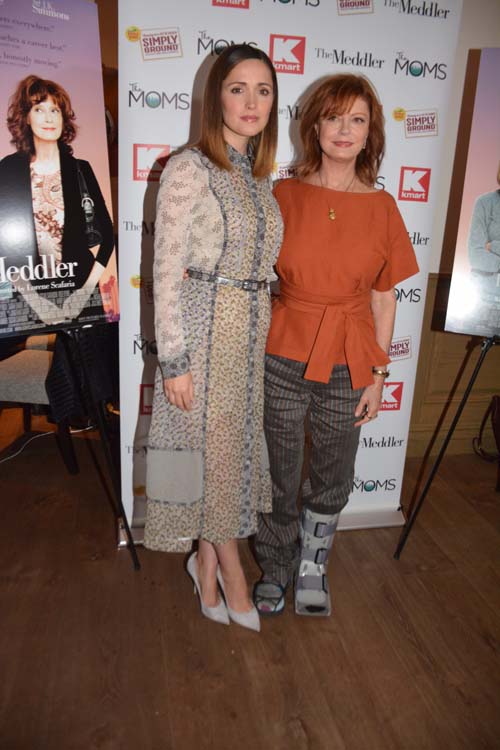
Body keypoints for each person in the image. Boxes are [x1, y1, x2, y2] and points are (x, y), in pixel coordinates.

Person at [253, 74, 419, 617]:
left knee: (333, 471)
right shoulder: (283, 194)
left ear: (371, 134)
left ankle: (312, 564)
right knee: (279, 469)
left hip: (350, 360)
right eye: (333, 117)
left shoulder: (384, 207)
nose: (344, 130)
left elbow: (384, 299)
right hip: (282, 352)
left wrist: (378, 376)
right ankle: (275, 564)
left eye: (357, 120)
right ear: (314, 125)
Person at [144, 45, 283, 632]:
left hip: (248, 337)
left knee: (226, 455)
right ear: (215, 96)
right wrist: (172, 360)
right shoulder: (189, 167)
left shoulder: (258, 176)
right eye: (237, 88)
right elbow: (164, 270)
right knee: (211, 455)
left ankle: (203, 565)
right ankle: (230, 568)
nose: (251, 102)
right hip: (203, 333)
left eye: (264, 90)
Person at [0, 75, 114, 331]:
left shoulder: (80, 169)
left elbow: (107, 238)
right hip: (30, 295)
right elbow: (5, 247)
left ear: (64, 118)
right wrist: (37, 303)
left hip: (82, 294)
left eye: (55, 109)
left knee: (93, 367)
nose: (49, 117)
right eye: (39, 109)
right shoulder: (8, 169)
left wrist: (83, 294)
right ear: (26, 117)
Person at [467, 164, 500, 329]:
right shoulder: (485, 203)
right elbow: (476, 254)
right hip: (485, 301)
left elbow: (486, 247)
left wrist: (494, 245)